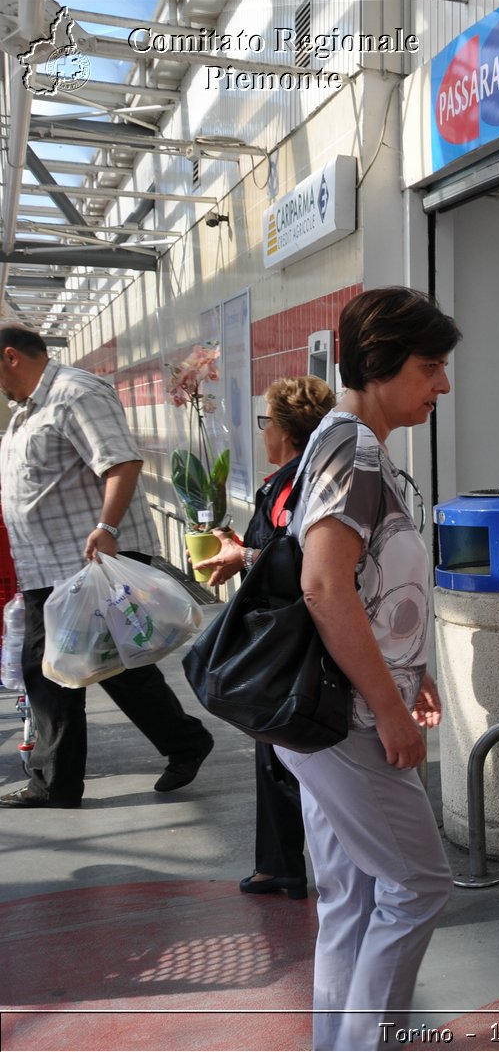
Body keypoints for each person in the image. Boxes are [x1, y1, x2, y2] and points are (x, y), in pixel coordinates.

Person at [274, 288, 458, 1052]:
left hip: (329, 710)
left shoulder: (338, 441)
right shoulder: (354, 451)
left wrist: (409, 670)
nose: (442, 385)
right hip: (348, 717)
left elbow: (362, 581)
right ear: (380, 365)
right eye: (430, 367)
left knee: (351, 891)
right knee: (418, 883)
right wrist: (387, 705)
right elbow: (323, 583)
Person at [0, 324, 215, 809]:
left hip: (92, 559)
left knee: (69, 667)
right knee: (101, 668)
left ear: (11, 356)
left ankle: (57, 783)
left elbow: (121, 462)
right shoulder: (25, 411)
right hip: (49, 566)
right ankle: (181, 743)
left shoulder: (73, 394)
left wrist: (108, 528)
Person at [193, 375, 336, 900]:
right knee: (277, 751)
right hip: (293, 644)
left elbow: (298, 561)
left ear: (284, 429)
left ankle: (289, 867)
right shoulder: (303, 478)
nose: (261, 433)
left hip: (291, 647)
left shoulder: (294, 484)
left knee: (287, 751)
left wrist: (244, 557)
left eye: (264, 423)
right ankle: (280, 865)